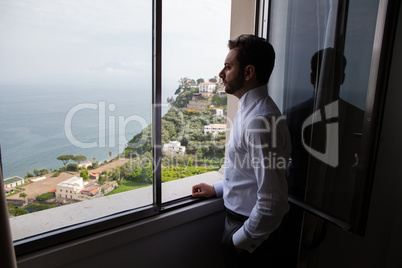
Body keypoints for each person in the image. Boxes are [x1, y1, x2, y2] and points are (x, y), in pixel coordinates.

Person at [192, 34, 291, 267]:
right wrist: (217, 188)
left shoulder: (259, 121)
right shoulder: (251, 110)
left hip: (250, 233)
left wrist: (239, 241)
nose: (221, 74)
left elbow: (273, 201)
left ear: (248, 73)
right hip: (241, 224)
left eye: (228, 66)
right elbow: (247, 174)